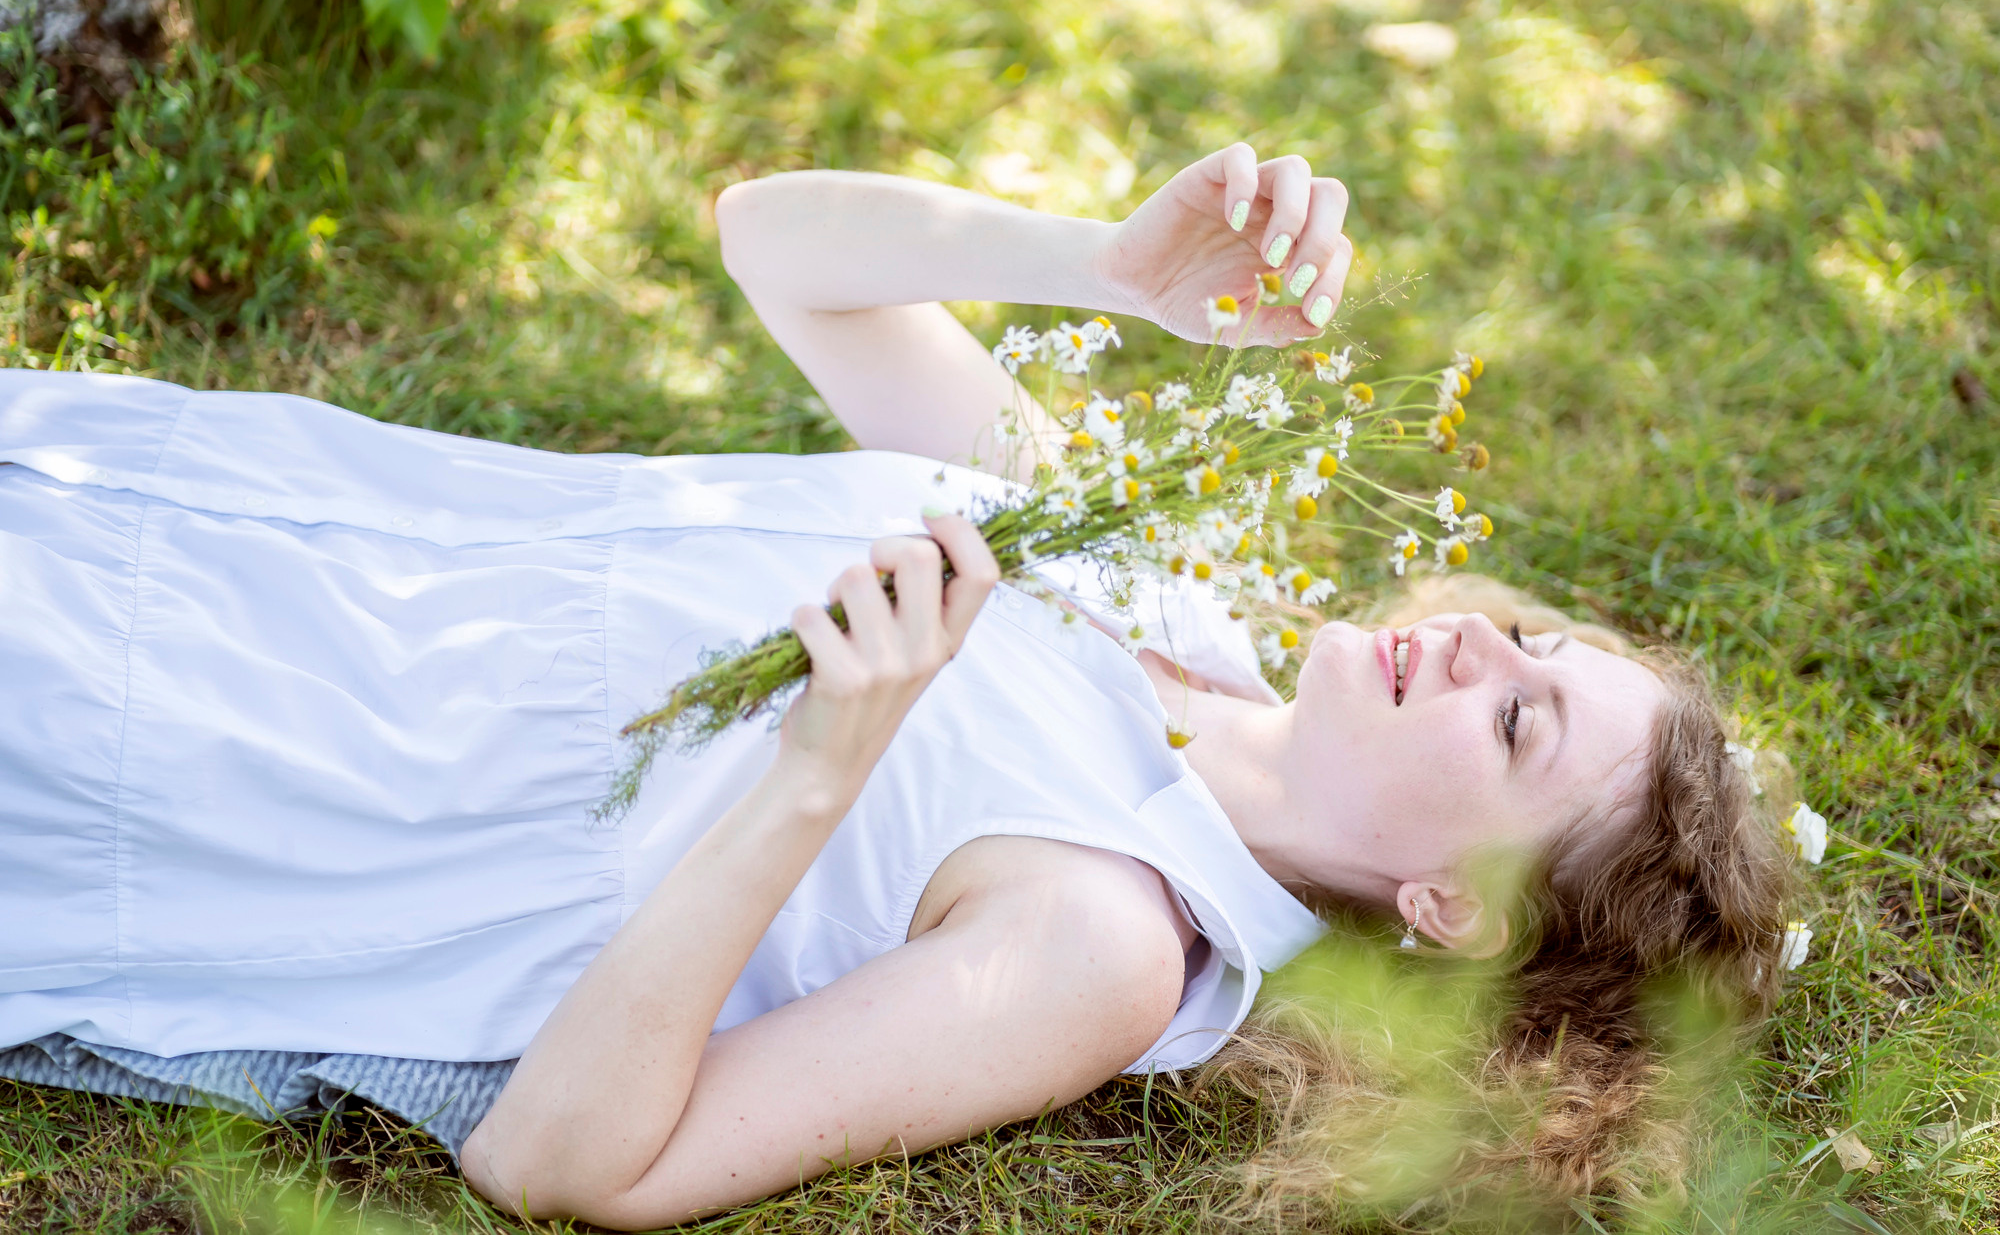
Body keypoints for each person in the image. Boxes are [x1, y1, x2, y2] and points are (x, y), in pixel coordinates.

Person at [0, 145, 1789, 1227]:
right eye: (1542, 643)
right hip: (270, 530)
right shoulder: (1166, 587)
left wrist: (821, 762)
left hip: (230, 755)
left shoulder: (1112, 936)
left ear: (1448, 913)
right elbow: (775, 244)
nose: (1487, 644)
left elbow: (569, 1162)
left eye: (1522, 721)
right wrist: (1094, 270)